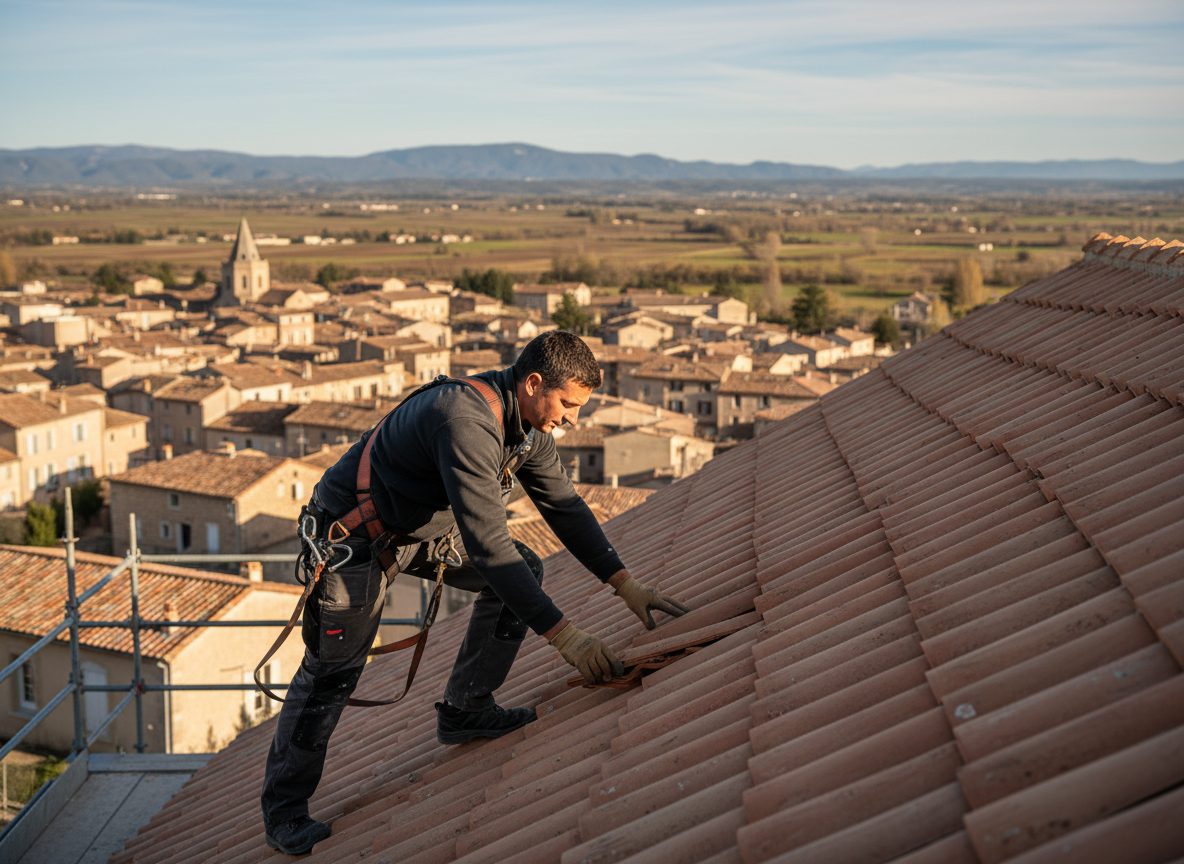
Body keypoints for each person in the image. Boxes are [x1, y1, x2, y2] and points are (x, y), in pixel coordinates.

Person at [260, 331, 690, 855]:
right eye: (569, 404)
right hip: (354, 536)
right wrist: (566, 637)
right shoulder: (465, 420)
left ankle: (466, 708)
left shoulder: (525, 428)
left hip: (413, 532)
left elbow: (565, 507)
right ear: (534, 384)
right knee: (333, 671)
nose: (574, 419)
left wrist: (624, 582)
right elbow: (489, 547)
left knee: (525, 569)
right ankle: (284, 811)